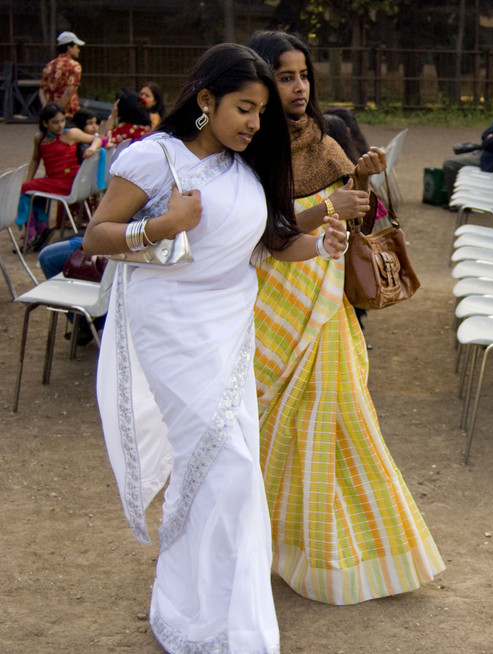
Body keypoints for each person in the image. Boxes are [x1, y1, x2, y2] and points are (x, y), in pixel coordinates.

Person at [83, 43, 348, 653]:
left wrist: (326, 244)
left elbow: (270, 244)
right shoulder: (155, 157)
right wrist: (162, 225)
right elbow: (98, 235)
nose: (255, 123)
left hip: (229, 329)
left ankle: (206, 613)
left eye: (261, 113)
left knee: (223, 473)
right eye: (244, 108)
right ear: (206, 100)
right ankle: (218, 622)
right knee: (225, 468)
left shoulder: (247, 163)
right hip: (172, 327)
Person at [245, 30, 445, 606]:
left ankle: (358, 553)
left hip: (329, 296)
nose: (299, 86)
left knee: (342, 416)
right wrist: (332, 205)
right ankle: (277, 542)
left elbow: (359, 221)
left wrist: (362, 178)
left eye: (303, 74)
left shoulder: (322, 137)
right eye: (285, 76)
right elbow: (262, 228)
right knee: (276, 422)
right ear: (261, 81)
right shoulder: (253, 144)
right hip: (277, 295)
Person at [16, 102, 102, 250]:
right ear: (45, 123)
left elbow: (97, 138)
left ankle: (31, 231)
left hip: (69, 182)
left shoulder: (69, 134)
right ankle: (42, 228)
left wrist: (93, 148)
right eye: (55, 122)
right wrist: (29, 179)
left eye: (62, 120)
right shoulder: (40, 138)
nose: (60, 125)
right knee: (29, 189)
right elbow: (35, 159)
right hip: (53, 181)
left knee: (26, 189)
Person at [440, 88, 493, 199]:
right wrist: (489, 138)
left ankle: (456, 201)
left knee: (449, 163)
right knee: (458, 149)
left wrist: (489, 138)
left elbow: (489, 143)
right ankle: (462, 197)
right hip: (489, 153)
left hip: (490, 158)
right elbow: (485, 134)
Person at [39, 31, 84, 116]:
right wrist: (58, 111)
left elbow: (41, 90)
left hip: (49, 113)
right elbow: (69, 92)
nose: (78, 50)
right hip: (67, 113)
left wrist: (47, 109)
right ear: (69, 47)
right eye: (76, 47)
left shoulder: (49, 65)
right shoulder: (74, 66)